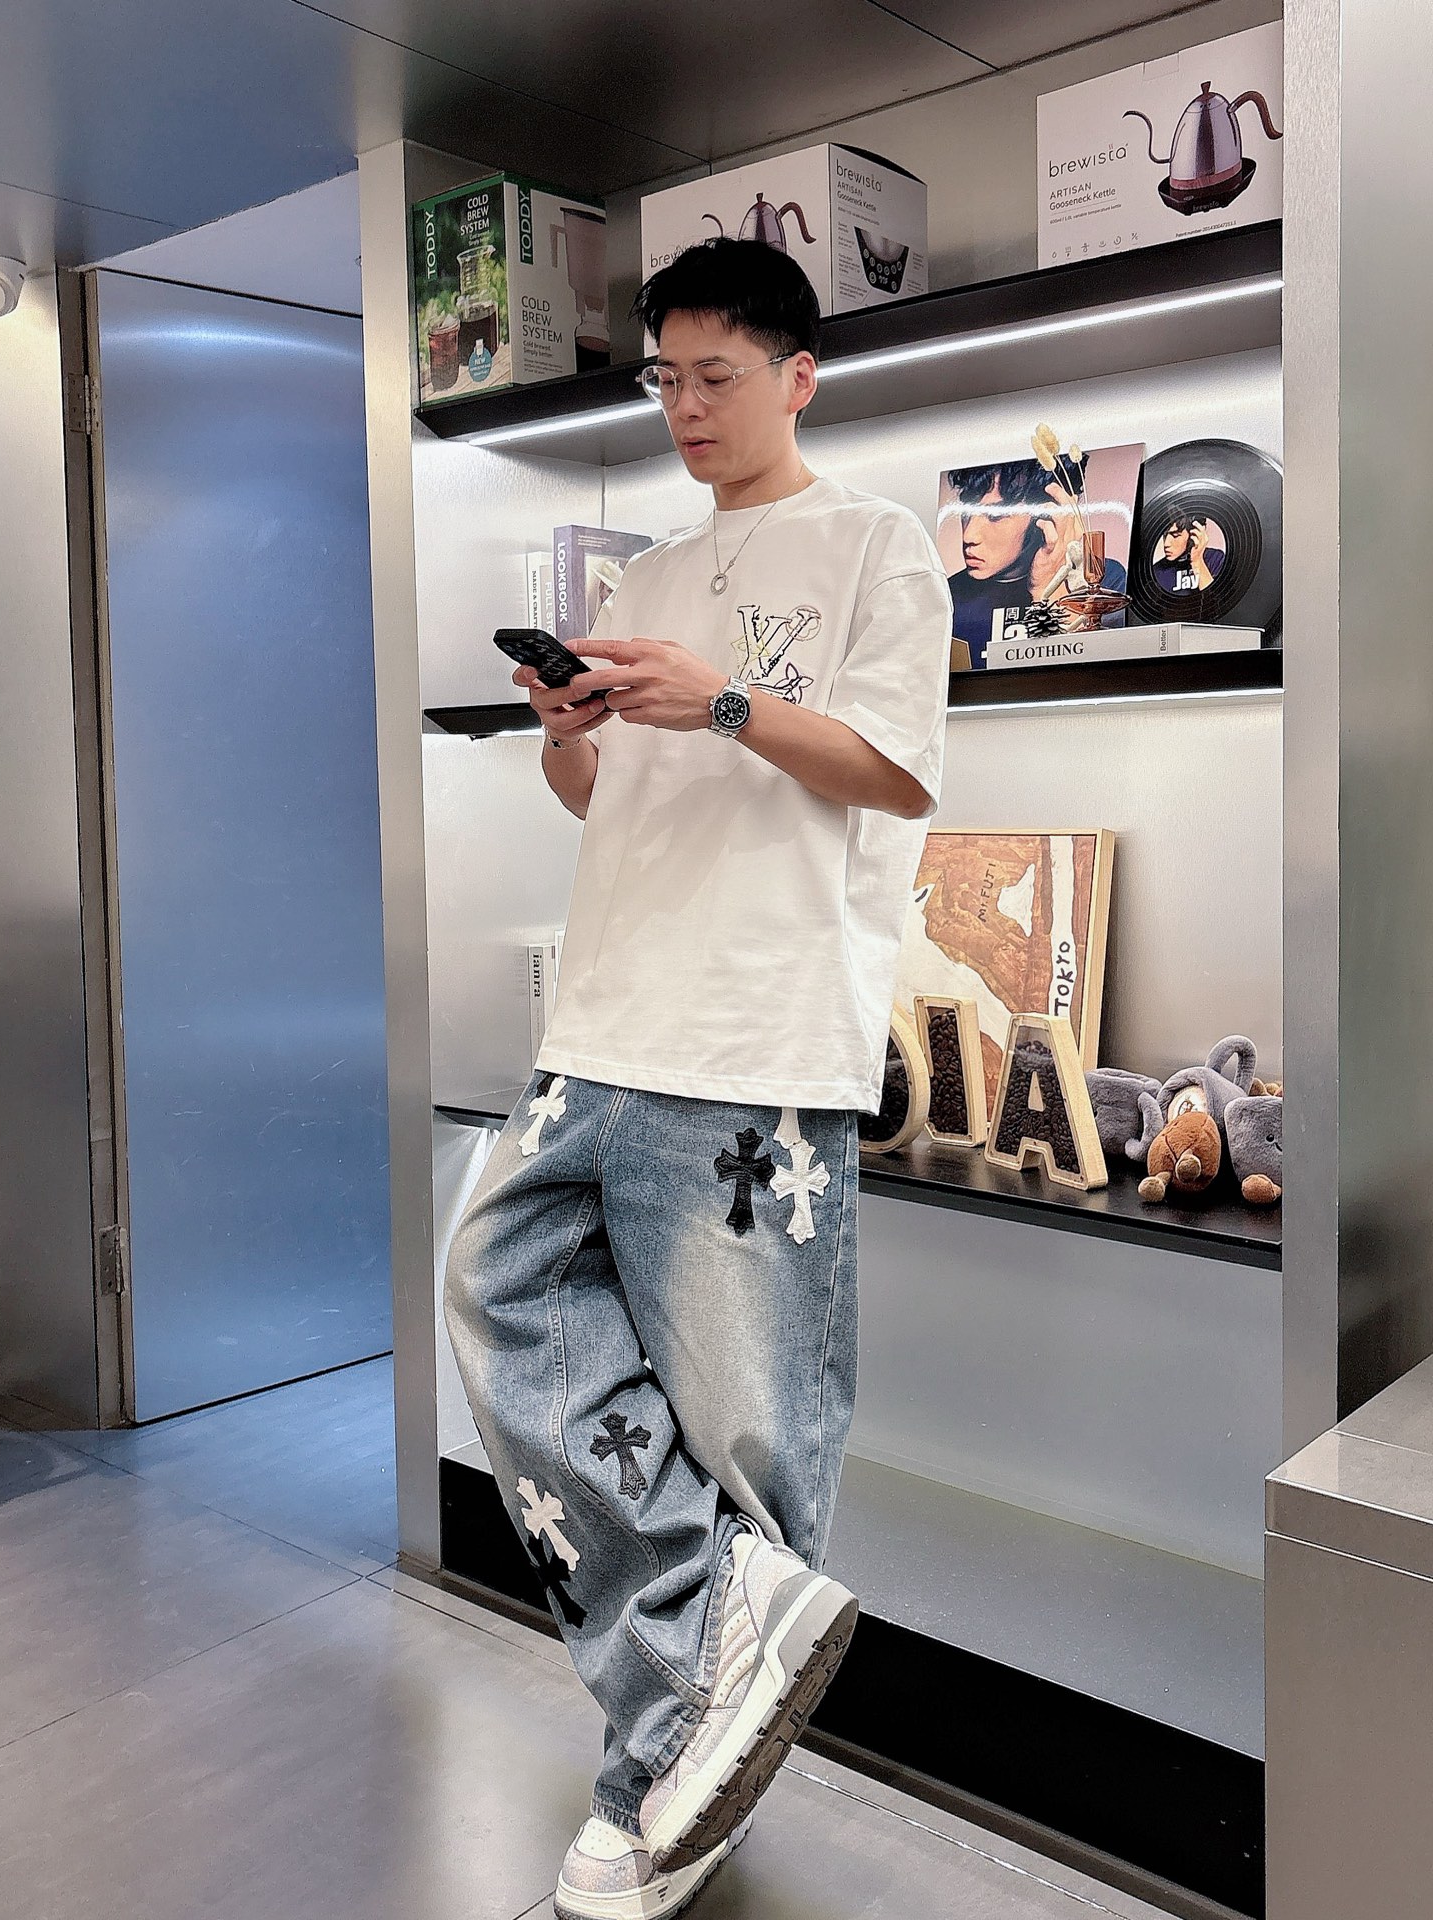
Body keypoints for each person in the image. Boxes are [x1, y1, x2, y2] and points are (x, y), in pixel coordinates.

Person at [443, 236, 951, 1920]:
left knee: (748, 1428)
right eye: (665, 378)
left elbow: (897, 773)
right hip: (603, 1016)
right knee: (493, 1286)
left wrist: (724, 699)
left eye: (714, 376)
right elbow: (610, 805)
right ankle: (712, 1657)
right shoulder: (649, 571)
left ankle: (660, 1795)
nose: (685, 407)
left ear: (799, 375)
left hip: (758, 1036)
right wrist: (571, 732)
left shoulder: (879, 545)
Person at [945, 457, 1126, 667]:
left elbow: (1086, 677)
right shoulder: (947, 595)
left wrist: (1047, 591)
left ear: (1049, 515)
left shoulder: (1104, 584)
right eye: (966, 513)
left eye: (995, 515)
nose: (969, 535)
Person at [1152, 514, 1226, 594]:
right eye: (1165, 535)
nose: (1166, 543)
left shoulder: (1215, 559)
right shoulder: (1156, 571)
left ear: (1194, 534)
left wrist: (1197, 561)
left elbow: (1218, 599)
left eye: (1175, 535)